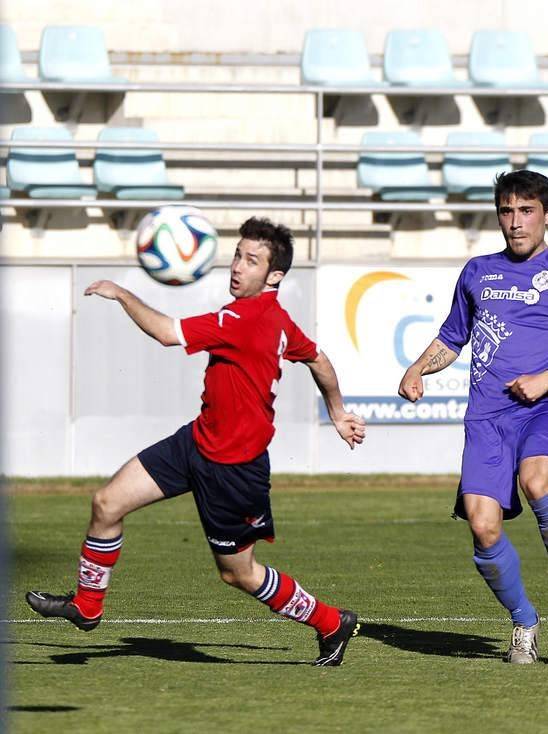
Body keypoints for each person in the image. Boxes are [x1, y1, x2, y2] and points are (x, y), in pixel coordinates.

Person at [27, 217, 366, 667]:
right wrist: (338, 410)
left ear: (275, 276)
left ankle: (330, 622)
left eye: (252, 260)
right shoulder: (279, 320)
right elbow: (317, 358)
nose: (237, 267)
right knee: (107, 503)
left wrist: (122, 293)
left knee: (238, 575)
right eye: (237, 255)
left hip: (234, 469)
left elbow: (168, 333)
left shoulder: (244, 318)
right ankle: (87, 607)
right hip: (197, 441)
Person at [398, 170, 548, 664]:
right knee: (483, 528)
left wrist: (545, 380)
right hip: (487, 419)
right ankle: (523, 623)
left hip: (546, 407)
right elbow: (453, 338)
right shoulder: (478, 272)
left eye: (526, 211)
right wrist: (418, 367)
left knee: (537, 482)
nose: (515, 223)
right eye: (506, 211)